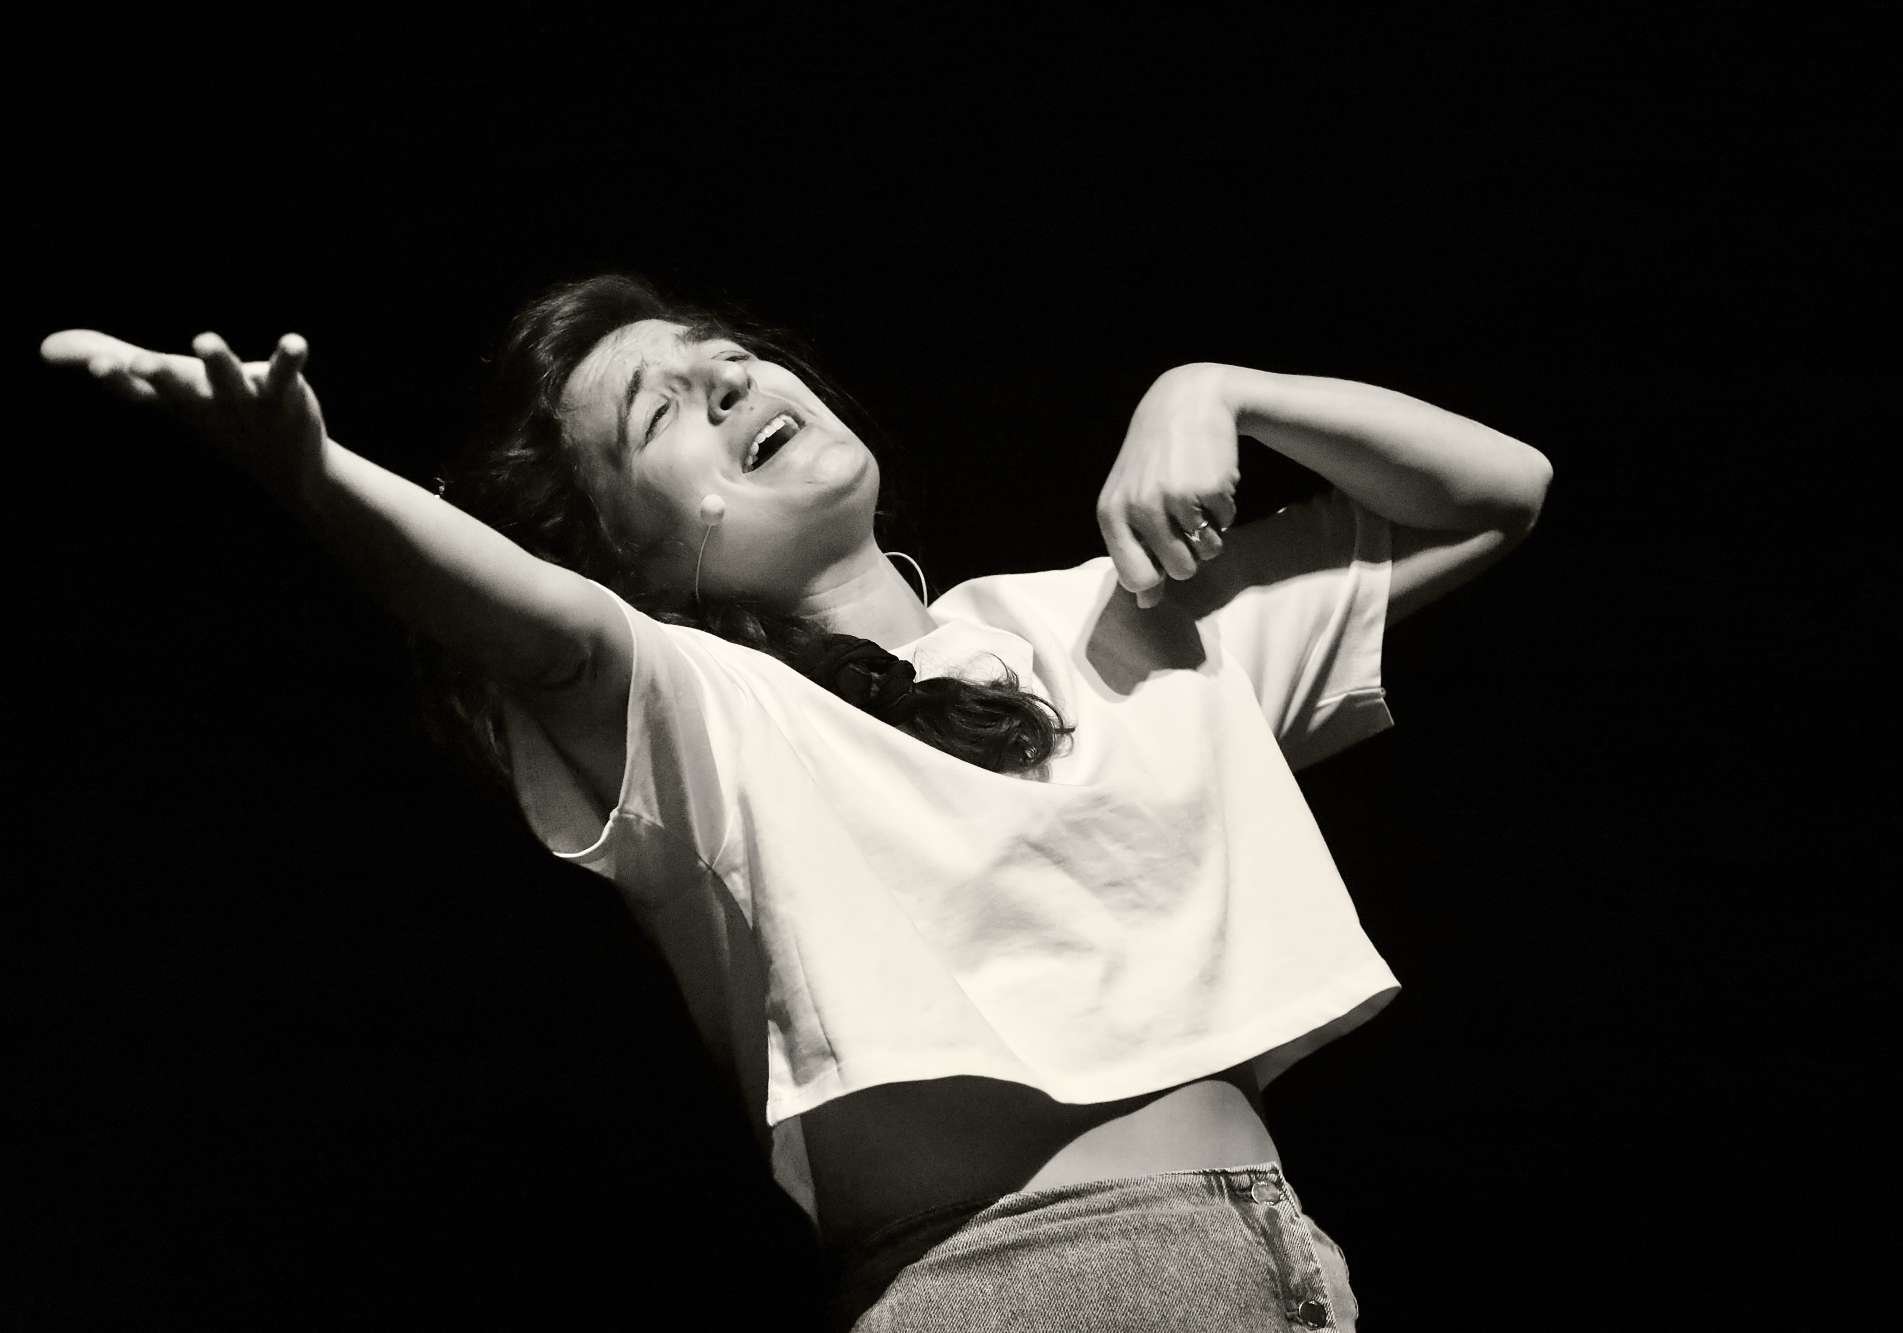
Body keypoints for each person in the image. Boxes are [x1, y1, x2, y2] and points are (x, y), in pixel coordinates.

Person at [43, 273, 1551, 1332]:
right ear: (642, 555)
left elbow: (1498, 491)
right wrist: (315, 475)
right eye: (663, 414)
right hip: (1029, 1285)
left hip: (1284, 1258)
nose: (731, 384)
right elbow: (553, 637)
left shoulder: (1113, 621)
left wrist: (1212, 388)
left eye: (727, 360)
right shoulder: (715, 712)